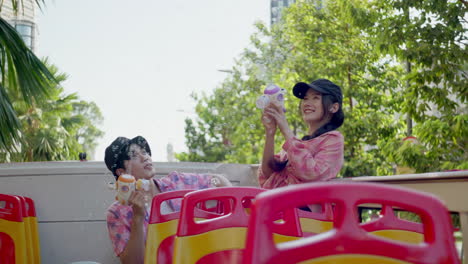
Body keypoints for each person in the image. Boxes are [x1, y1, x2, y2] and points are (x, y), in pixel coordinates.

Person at [104, 136, 231, 264]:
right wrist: (138, 217)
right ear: (121, 172)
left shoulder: (176, 182)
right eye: (134, 156)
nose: (145, 157)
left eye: (144, 152)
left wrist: (234, 218)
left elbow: (218, 181)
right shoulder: (117, 213)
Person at [259, 78, 345, 194]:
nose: (307, 103)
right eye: (305, 98)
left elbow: (311, 173)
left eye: (315, 98)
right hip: (279, 204)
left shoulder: (334, 139)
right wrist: (270, 133)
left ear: (333, 107)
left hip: (304, 210)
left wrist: (285, 128)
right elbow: (268, 172)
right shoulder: (298, 144)